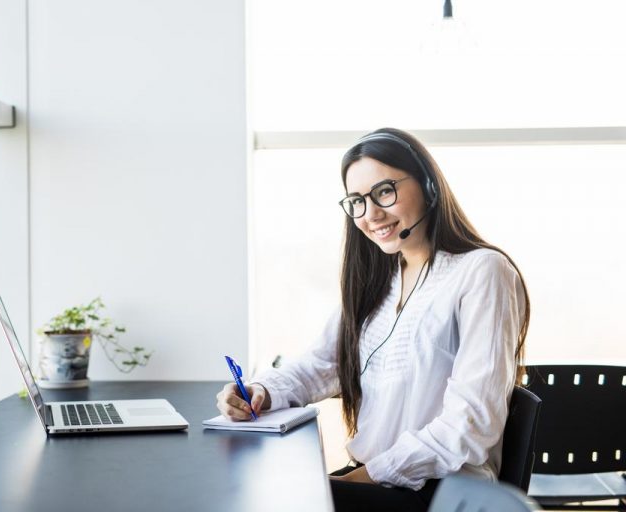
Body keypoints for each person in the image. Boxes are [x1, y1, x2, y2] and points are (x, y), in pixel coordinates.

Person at [215, 127, 530, 512]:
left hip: (436, 493)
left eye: (384, 191)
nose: (371, 215)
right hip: (376, 480)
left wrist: (364, 476)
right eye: (357, 201)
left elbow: (470, 427)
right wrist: (259, 391)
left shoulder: (481, 272)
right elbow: (320, 366)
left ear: (430, 186)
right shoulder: (381, 281)